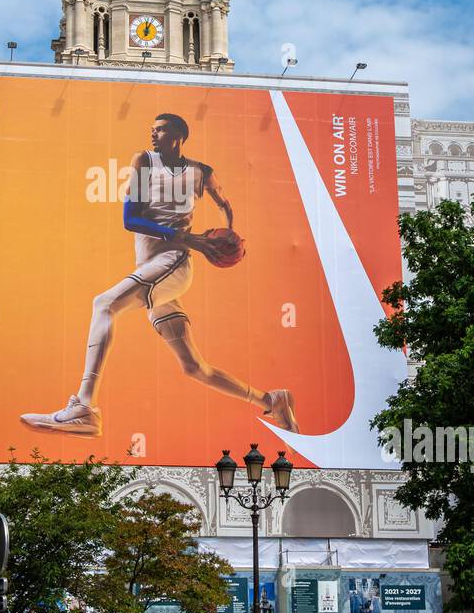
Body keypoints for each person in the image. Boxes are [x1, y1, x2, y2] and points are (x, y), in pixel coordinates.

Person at [20, 113, 298, 436]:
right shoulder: (144, 161)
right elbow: (131, 219)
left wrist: (230, 239)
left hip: (173, 264)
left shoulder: (201, 172)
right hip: (158, 267)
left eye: (161, 129)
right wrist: (191, 238)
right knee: (194, 367)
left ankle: (84, 406)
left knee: (104, 304)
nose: (153, 134)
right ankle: (271, 399)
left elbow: (226, 203)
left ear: (180, 135)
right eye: (152, 129)